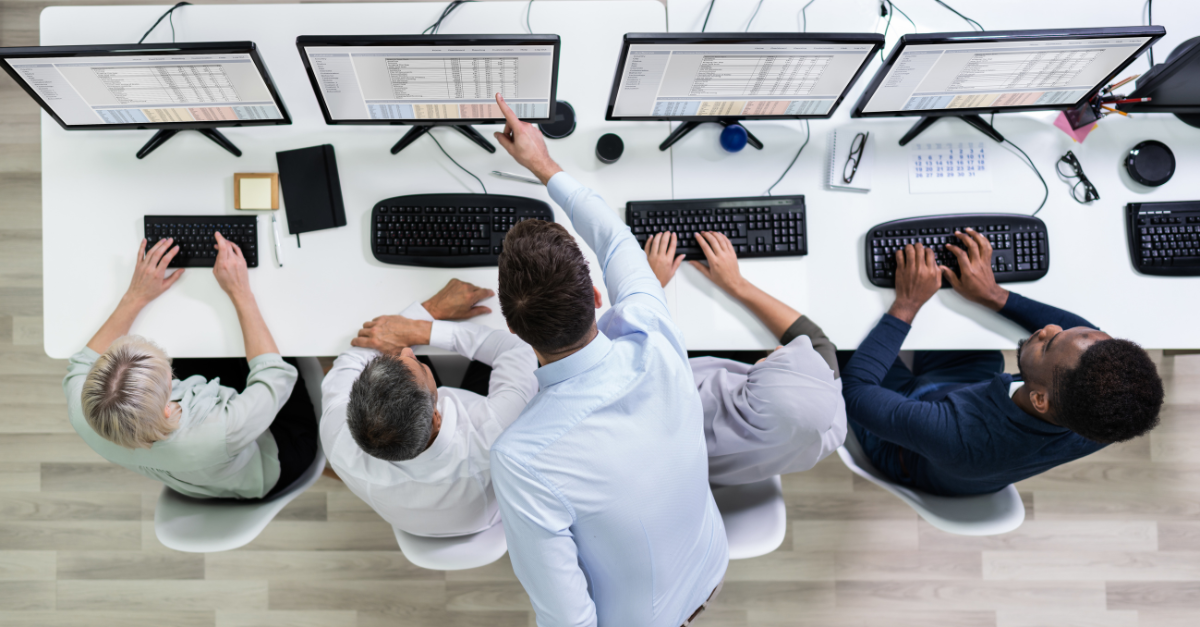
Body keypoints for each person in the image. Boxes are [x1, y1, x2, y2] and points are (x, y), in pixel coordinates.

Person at [486, 93, 727, 626]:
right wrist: (543, 165)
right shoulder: (652, 329)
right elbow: (615, 239)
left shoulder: (521, 459)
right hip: (710, 559)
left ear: (513, 328)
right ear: (597, 295)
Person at [842, 231, 1164, 496]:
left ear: (1040, 398)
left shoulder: (960, 435)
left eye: (1049, 342)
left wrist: (907, 304)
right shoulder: (1102, 417)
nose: (1048, 328)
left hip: (908, 445)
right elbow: (1086, 338)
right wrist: (994, 295)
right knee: (961, 324)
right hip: (968, 397)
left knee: (841, 337)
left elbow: (856, 392)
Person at [63, 233, 317, 500]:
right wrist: (239, 291)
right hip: (275, 455)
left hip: (199, 472)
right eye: (168, 373)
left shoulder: (82, 412)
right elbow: (275, 375)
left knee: (204, 341)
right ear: (168, 402)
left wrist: (135, 297)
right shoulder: (220, 430)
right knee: (282, 341)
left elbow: (83, 362)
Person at [319, 279, 538, 537]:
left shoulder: (336, 436)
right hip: (485, 518)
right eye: (419, 366)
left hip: (411, 521)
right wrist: (421, 327)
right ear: (435, 417)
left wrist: (424, 315)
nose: (407, 350)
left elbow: (352, 358)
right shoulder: (494, 439)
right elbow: (517, 348)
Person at [644, 230, 846, 486]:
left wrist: (648, 286)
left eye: (776, 361)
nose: (777, 348)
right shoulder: (831, 430)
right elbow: (818, 341)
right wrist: (735, 284)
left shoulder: (666, 397)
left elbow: (629, 345)